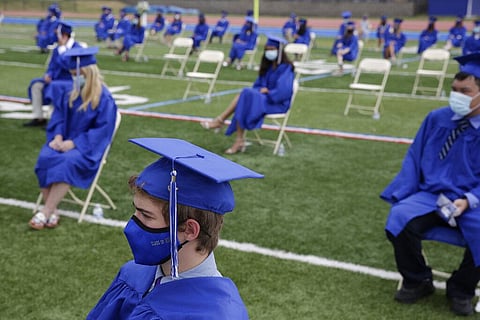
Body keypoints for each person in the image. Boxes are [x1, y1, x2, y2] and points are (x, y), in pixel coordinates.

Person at [86, 137, 263, 319]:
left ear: (189, 230)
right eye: (136, 211)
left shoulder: (217, 314)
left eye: (146, 215)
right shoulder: (132, 274)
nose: (131, 225)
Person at [381, 52, 480, 316]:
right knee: (399, 218)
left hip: (472, 201)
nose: (457, 96)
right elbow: (415, 157)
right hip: (432, 195)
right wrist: (403, 192)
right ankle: (417, 280)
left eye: (465, 91)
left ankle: (461, 289)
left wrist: (468, 200)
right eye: (454, 89)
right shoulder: (437, 118)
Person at [29, 46, 118, 230]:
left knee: (67, 162)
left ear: (87, 73)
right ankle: (53, 211)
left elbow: (102, 131)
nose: (73, 77)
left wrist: (74, 143)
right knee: (45, 157)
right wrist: (57, 136)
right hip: (63, 141)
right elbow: (59, 117)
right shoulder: (71, 91)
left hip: (86, 149)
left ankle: (46, 211)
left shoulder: (104, 98)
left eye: (76, 74)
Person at [201, 36, 295, 154]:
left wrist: (269, 92)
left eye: (272, 49)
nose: (269, 52)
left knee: (245, 95)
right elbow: (257, 86)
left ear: (279, 51)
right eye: (267, 49)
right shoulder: (268, 67)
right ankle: (237, 138)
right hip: (263, 99)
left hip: (277, 103)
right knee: (246, 97)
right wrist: (261, 90)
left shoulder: (286, 68)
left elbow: (284, 91)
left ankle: (222, 122)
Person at [25, 22, 82, 128]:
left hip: (69, 80)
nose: (55, 37)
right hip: (55, 78)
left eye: (57, 34)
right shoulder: (57, 49)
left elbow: (69, 66)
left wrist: (62, 51)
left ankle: (55, 121)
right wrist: (48, 74)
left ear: (64, 35)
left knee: (55, 88)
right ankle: (39, 117)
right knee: (36, 85)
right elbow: (52, 66)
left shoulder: (77, 48)